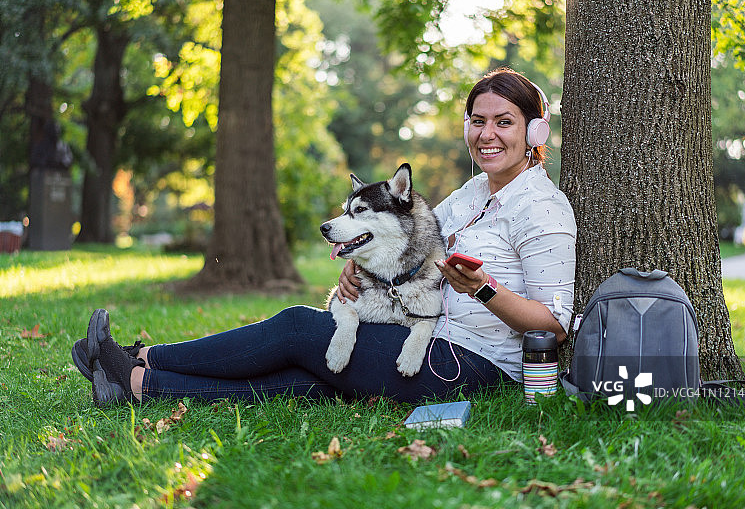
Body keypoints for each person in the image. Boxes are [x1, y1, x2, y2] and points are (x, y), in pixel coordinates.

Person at [71, 68, 577, 406]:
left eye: (505, 123)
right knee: (302, 381)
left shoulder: (543, 210)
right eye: (478, 121)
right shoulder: (469, 194)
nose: (488, 134)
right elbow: (407, 244)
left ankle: (146, 358)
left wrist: (483, 289)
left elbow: (552, 327)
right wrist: (358, 262)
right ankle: (138, 386)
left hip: (474, 367)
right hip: (418, 336)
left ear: (534, 133)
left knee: (297, 329)